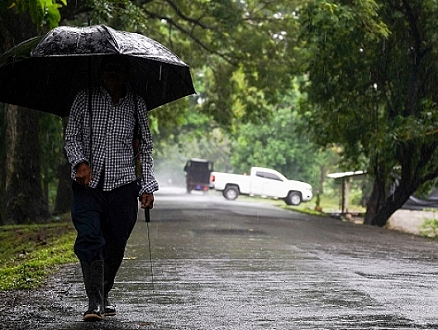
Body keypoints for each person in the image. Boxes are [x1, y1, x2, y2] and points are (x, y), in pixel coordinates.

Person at [64, 55, 159, 322]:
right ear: (100, 72)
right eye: (108, 69)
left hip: (124, 185)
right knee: (90, 237)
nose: (113, 74)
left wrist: (146, 186)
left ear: (126, 74)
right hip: (88, 185)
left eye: (118, 70)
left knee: (116, 244)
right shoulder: (85, 98)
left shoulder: (136, 104)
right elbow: (71, 137)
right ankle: (94, 302)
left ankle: (103, 293)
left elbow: (145, 148)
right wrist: (80, 162)